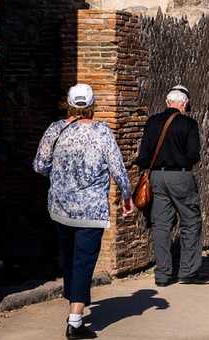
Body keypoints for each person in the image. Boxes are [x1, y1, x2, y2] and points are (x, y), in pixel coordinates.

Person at [33, 84, 133, 340]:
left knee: (69, 258)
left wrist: (62, 175)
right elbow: (118, 168)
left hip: (60, 207)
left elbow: (40, 165)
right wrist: (126, 195)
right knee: (84, 260)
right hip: (91, 209)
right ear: (92, 105)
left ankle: (73, 303)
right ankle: (75, 320)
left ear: (68, 103)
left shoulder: (55, 129)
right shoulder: (102, 132)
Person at [135, 85, 205, 287]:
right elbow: (194, 155)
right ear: (183, 104)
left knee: (161, 225)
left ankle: (163, 274)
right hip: (181, 176)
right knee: (190, 222)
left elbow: (144, 155)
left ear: (167, 103)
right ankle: (187, 271)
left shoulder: (152, 122)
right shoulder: (189, 124)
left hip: (157, 176)